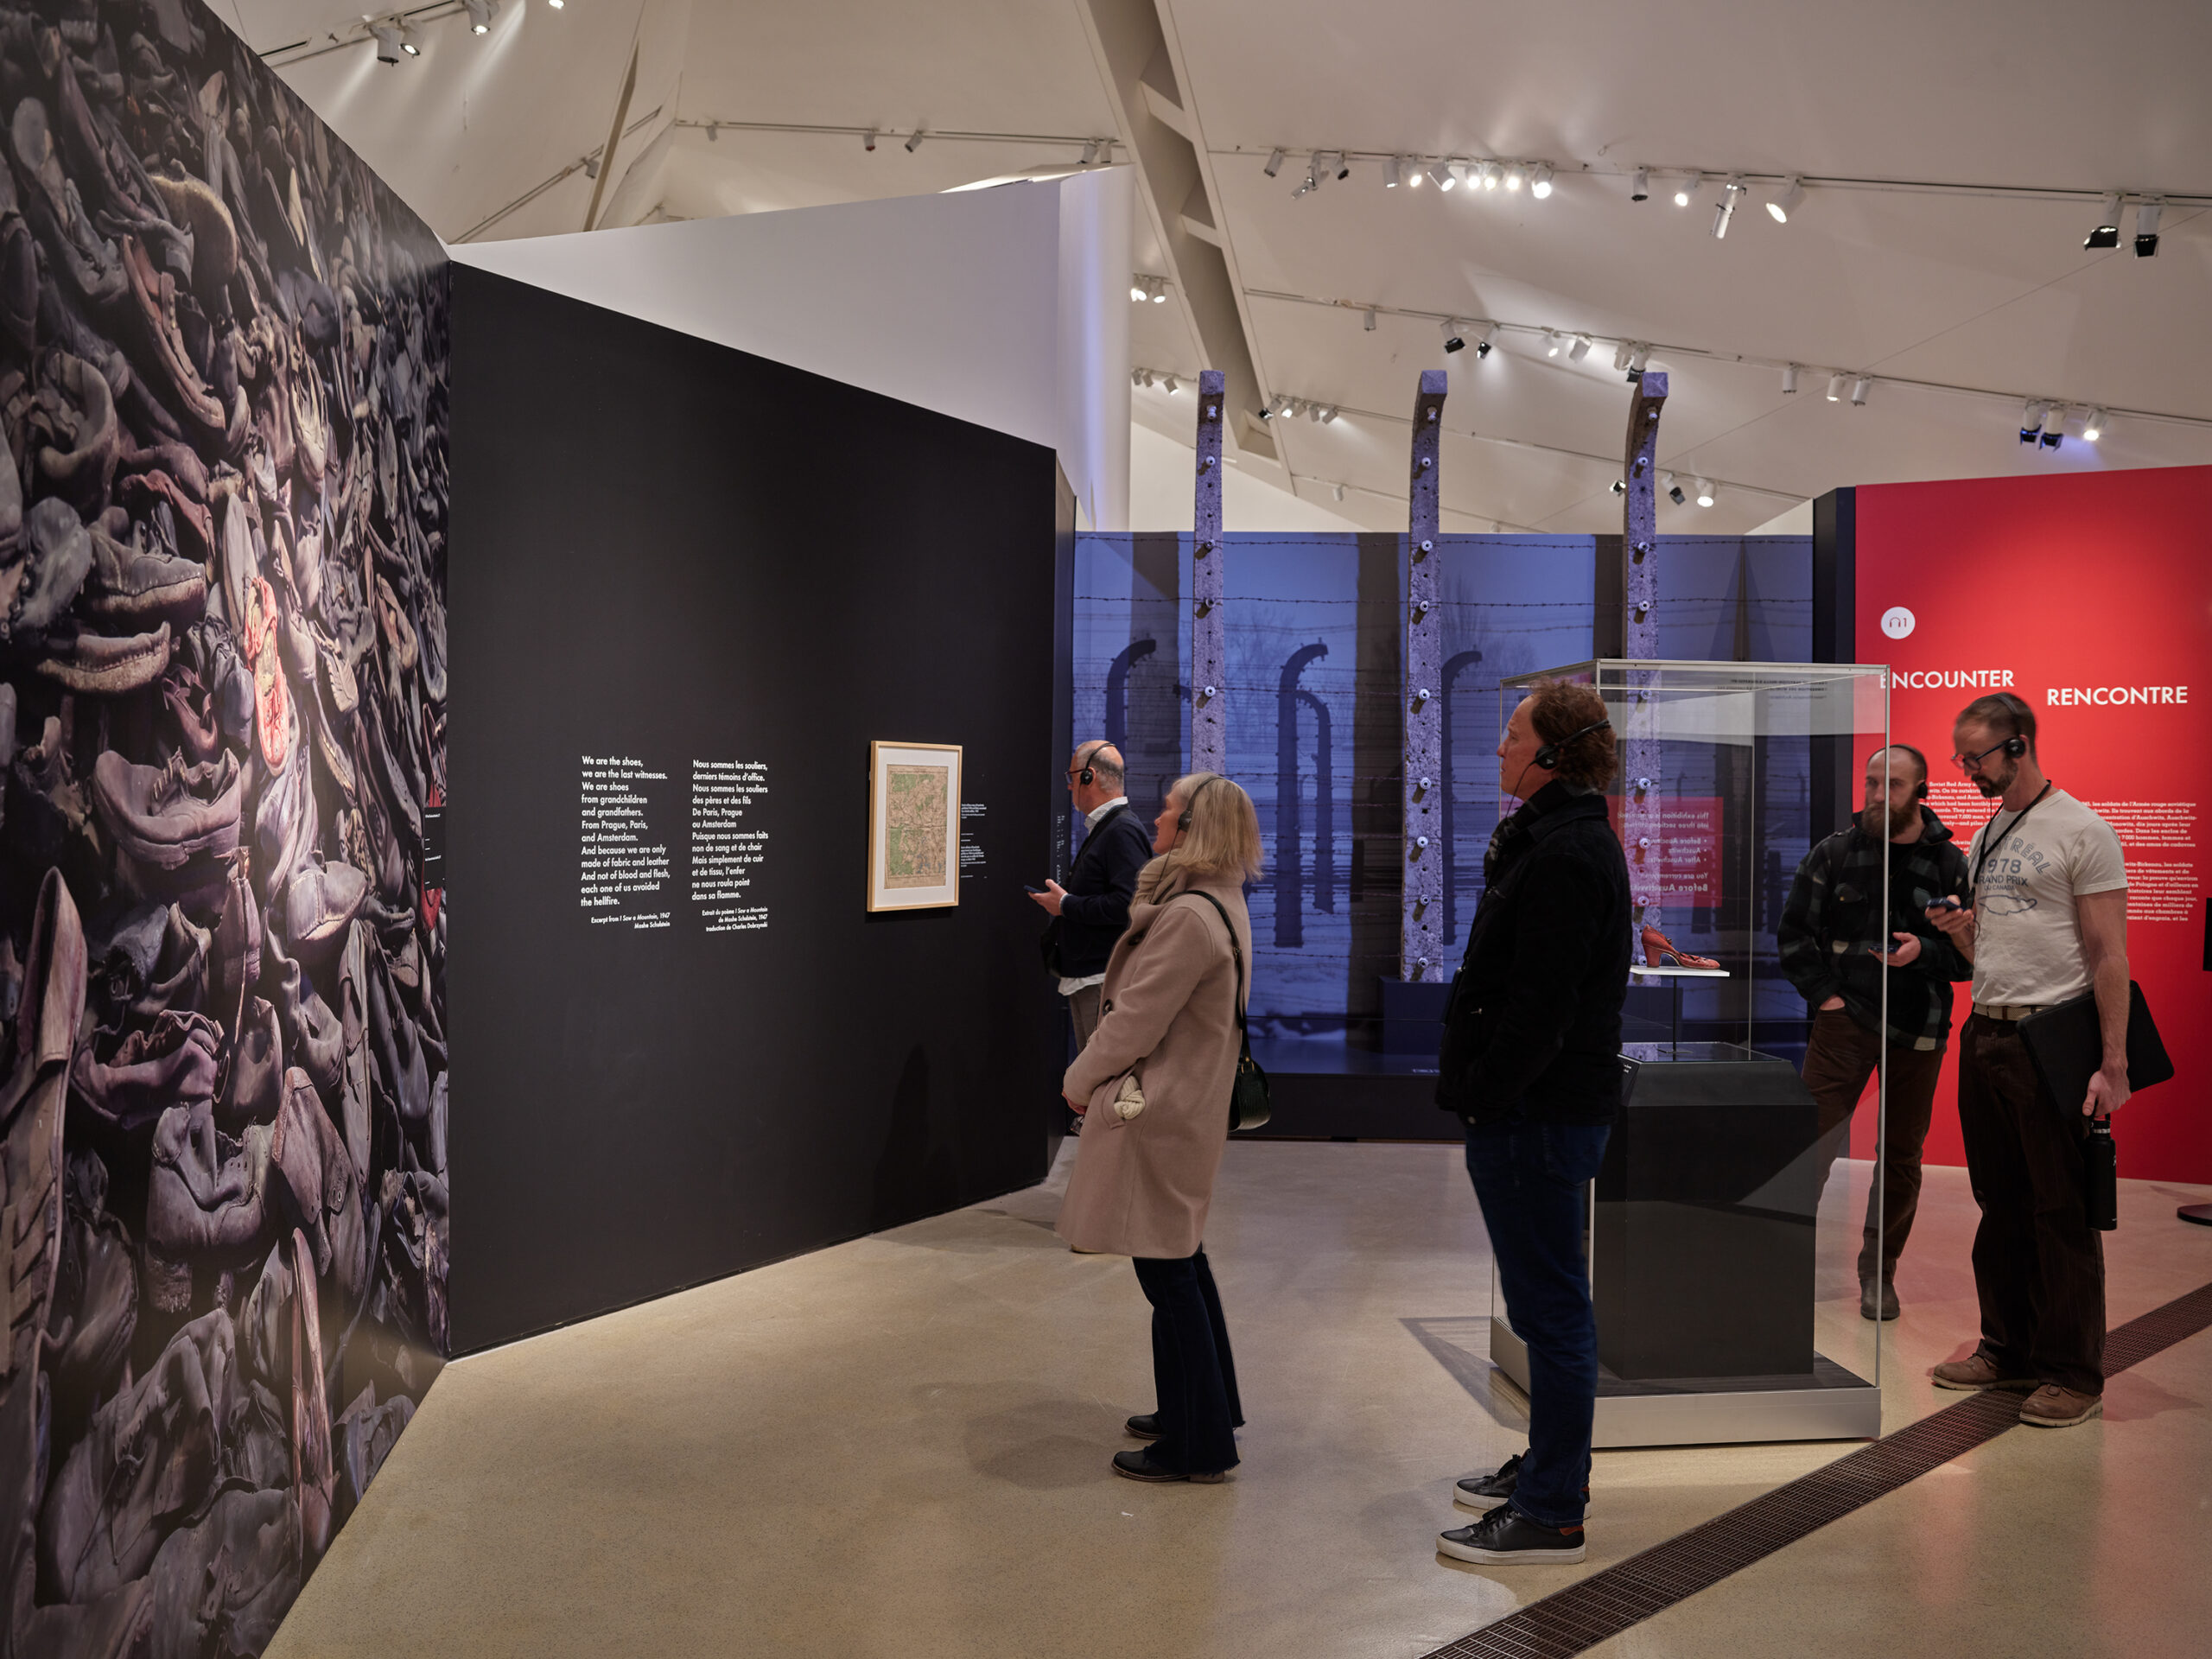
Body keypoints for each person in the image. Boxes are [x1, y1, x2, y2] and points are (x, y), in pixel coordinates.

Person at [1433, 681, 1629, 1567]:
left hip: (1536, 1114)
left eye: (1512, 735)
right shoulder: (1553, 841)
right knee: (1543, 1303)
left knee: (1550, 1310)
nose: (1499, 748)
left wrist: (1486, 1092)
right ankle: (1548, 1467)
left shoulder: (1565, 853)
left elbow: (1539, 1010)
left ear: (1553, 755)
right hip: (1533, 1110)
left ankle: (1552, 1510)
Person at [1925, 693, 2127, 1428]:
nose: (1966, 769)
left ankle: (2073, 1372)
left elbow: (2108, 956)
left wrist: (2113, 1062)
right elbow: (1994, 949)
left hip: (2052, 1041)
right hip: (1987, 1033)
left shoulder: (2084, 831)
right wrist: (1962, 934)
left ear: (2018, 747)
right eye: (1961, 757)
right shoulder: (1989, 832)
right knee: (2000, 1205)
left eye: (1974, 757)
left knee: (2062, 1211)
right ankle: (2006, 1350)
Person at [1056, 772, 1262, 1484]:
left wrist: (1077, 1082)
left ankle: (1196, 1441)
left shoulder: (1186, 918)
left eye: (1172, 810)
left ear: (1196, 827)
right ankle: (1200, 1409)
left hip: (1163, 1109)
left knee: (1167, 1269)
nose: (1160, 817)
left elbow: (1135, 1022)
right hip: (1190, 1104)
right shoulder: (1220, 900)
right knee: (1180, 1258)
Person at [1777, 744, 1973, 1320]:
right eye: (1871, 782)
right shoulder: (1834, 853)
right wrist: (1827, 999)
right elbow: (1792, 938)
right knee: (1809, 1146)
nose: (1878, 795)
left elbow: (1970, 961)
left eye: (1893, 784)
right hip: (1845, 1024)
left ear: (1921, 791)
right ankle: (1781, 1265)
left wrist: (1924, 951)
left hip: (1920, 1027)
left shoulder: (1949, 864)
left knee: (1901, 1159)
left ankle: (1877, 1273)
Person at [1029, 744, 1154, 1095]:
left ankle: (1108, 1148)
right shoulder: (1110, 828)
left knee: (1104, 1082)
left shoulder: (1121, 831)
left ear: (1089, 776)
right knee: (1097, 1079)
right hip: (1092, 975)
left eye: (1072, 778)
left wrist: (1066, 905)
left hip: (1103, 979)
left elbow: (1127, 905)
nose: (1069, 787)